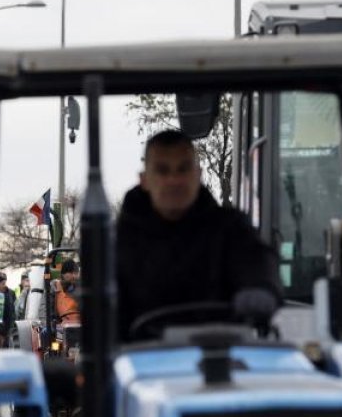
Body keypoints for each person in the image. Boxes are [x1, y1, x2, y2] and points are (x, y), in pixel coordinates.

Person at [116, 129, 280, 341]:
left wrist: (260, 287)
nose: (174, 180)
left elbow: (256, 263)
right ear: (144, 179)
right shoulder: (119, 241)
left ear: (198, 174)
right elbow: (103, 305)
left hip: (220, 356)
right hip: (143, 358)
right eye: (163, 171)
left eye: (183, 169)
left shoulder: (230, 228)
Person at [53, 260, 81, 324]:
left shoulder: (80, 289)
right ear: (63, 274)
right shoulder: (54, 287)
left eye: (76, 273)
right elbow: (46, 310)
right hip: (60, 326)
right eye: (71, 273)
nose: (74, 276)